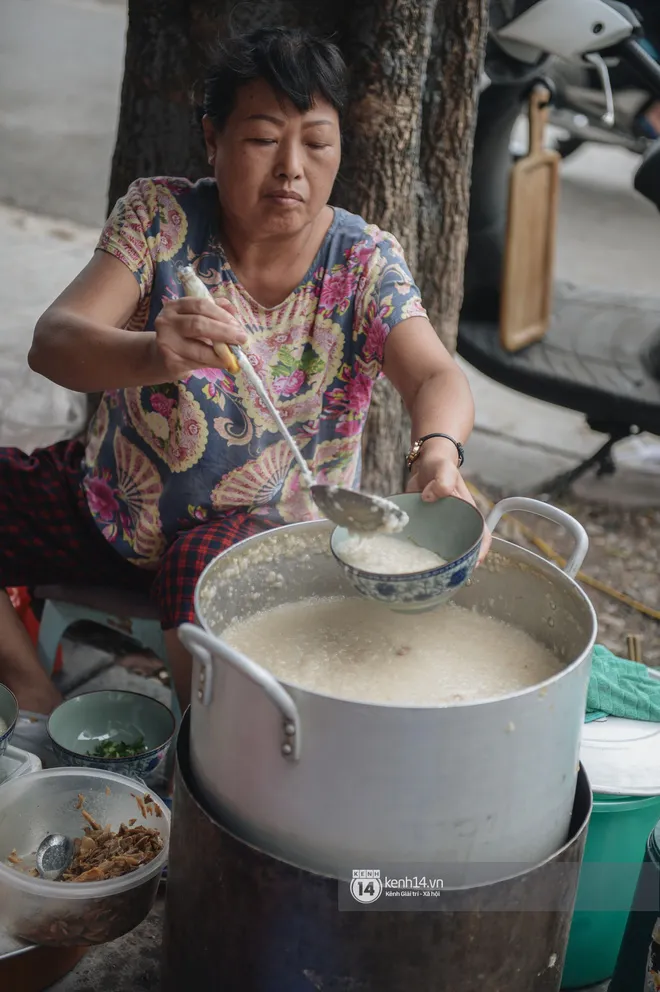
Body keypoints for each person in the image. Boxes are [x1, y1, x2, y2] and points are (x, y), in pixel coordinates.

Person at [0, 26, 488, 716]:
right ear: (212, 139)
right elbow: (52, 343)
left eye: (316, 143)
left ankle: (201, 762)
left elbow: (435, 375)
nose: (291, 167)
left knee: (198, 578)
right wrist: (151, 353)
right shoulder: (159, 218)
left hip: (260, 533)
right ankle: (37, 698)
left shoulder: (362, 262)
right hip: (112, 505)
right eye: (263, 139)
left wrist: (437, 456)